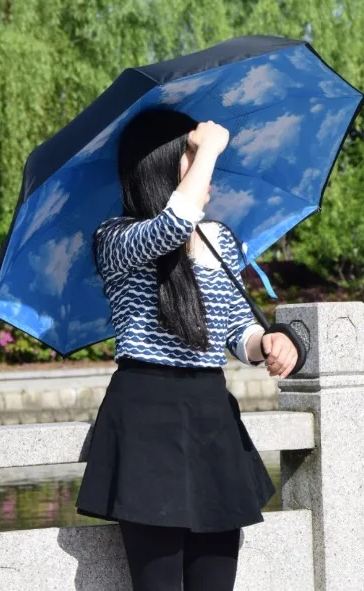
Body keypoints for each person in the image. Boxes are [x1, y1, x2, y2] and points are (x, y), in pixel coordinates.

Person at [75, 108, 300, 591]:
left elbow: (234, 328)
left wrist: (269, 343)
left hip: (210, 412)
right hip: (145, 414)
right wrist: (211, 151)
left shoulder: (217, 238)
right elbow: (169, 228)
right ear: (158, 163)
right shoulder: (115, 237)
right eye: (190, 156)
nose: (207, 170)